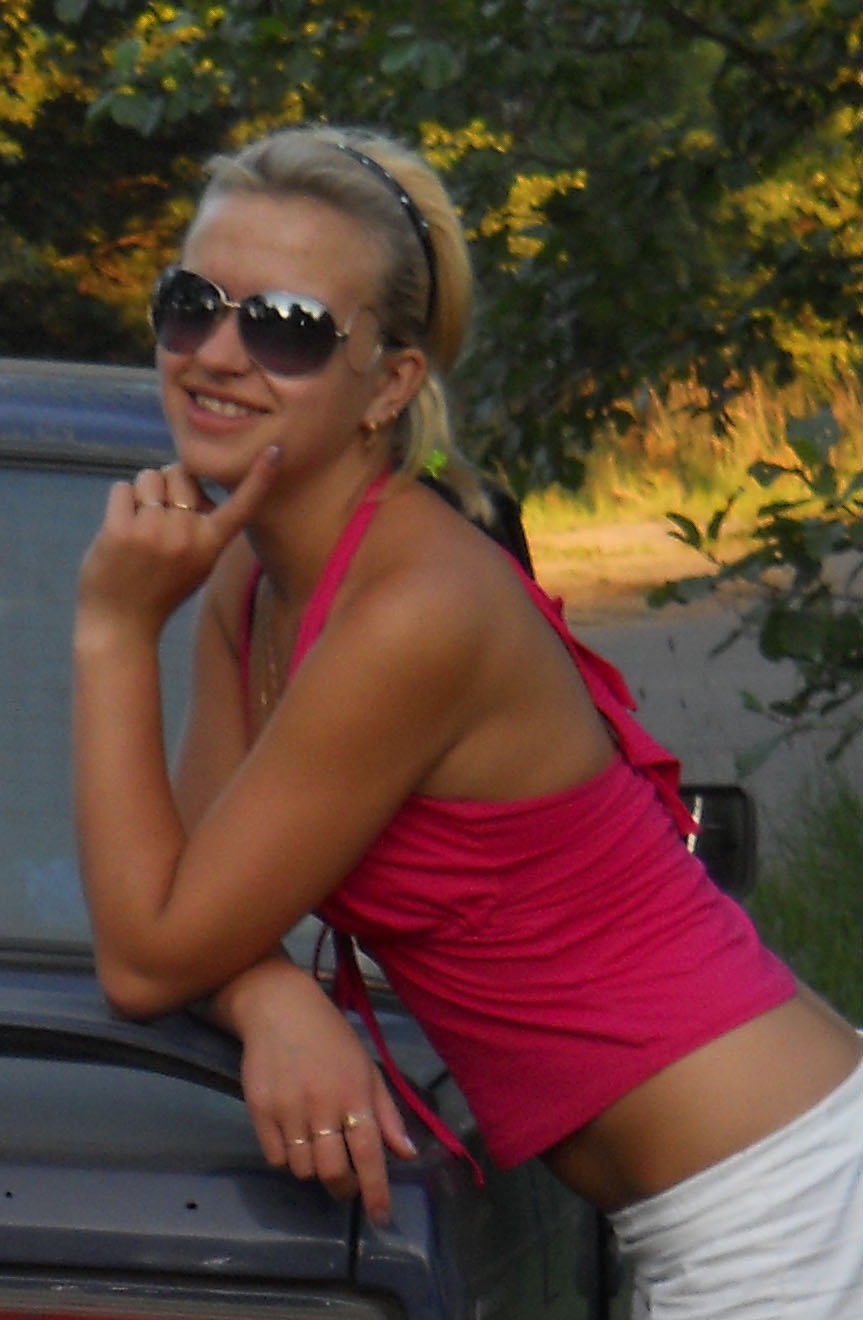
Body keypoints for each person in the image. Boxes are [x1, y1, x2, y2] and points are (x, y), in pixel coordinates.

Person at [74, 123, 863, 1318]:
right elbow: (190, 905)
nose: (218, 354)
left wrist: (111, 630)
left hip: (787, 1205)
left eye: (285, 326)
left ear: (389, 382)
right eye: (191, 306)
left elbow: (147, 953)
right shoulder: (248, 576)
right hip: (724, 1208)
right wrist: (268, 995)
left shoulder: (415, 610)